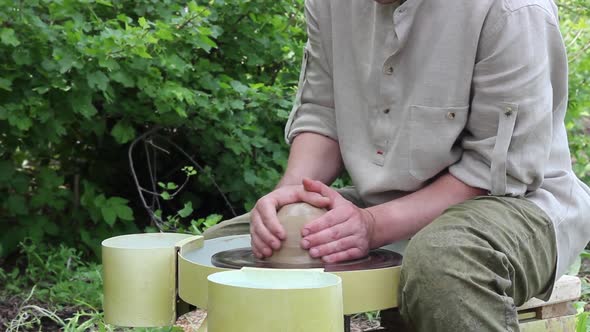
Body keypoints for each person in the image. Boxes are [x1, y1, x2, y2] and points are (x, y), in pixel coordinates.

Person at [205, 0, 590, 330]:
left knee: (444, 263)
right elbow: (323, 112)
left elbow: (495, 169)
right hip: (384, 201)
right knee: (228, 248)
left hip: (517, 200)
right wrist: (289, 197)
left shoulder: (511, 10)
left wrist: (373, 226)